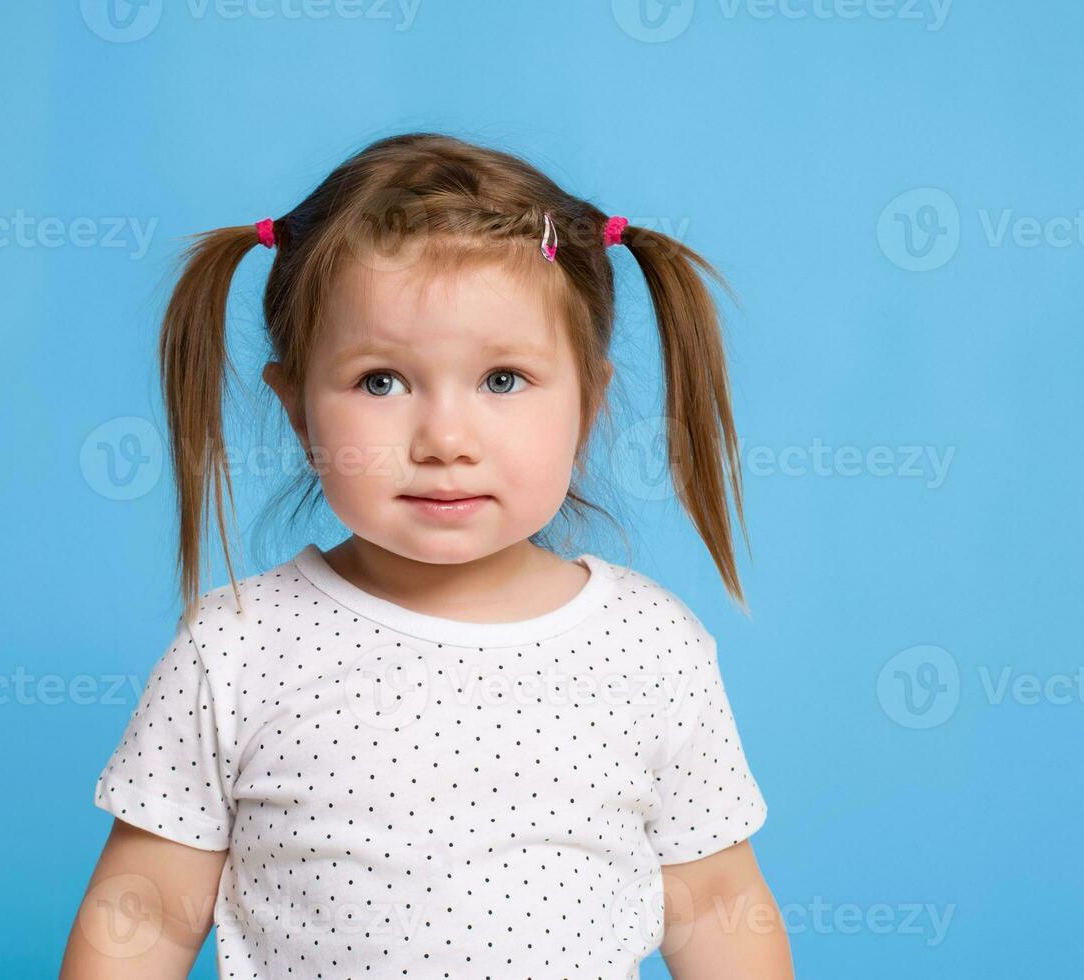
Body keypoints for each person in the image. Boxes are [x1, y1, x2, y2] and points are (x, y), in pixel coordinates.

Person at [59, 132, 792, 979]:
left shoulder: (650, 646)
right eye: (381, 381)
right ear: (296, 408)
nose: (445, 440)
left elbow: (714, 907)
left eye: (503, 380)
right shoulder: (238, 646)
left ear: (589, 402)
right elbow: (145, 913)